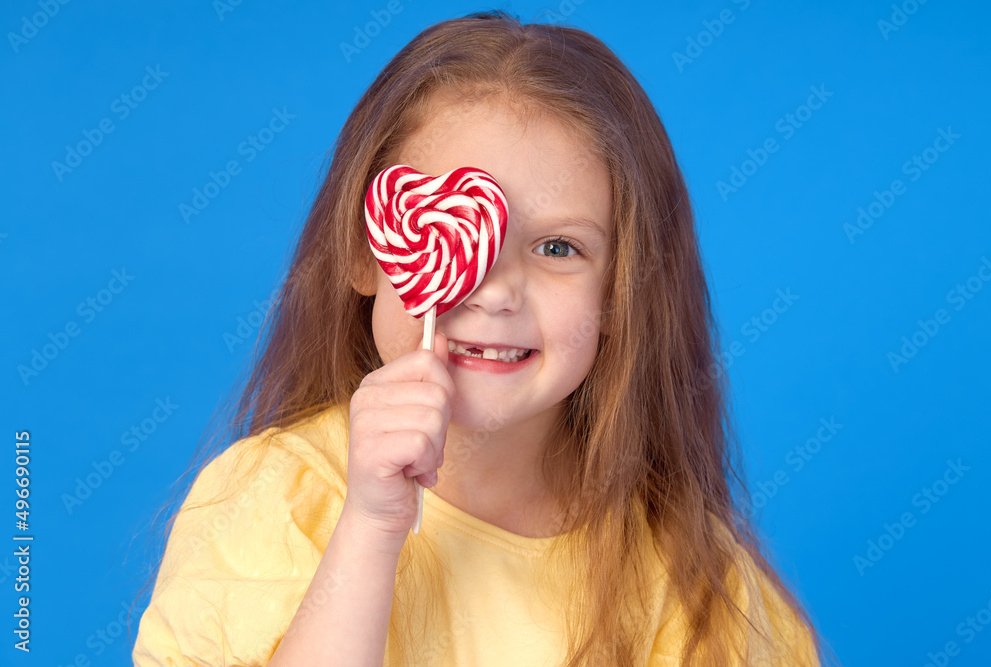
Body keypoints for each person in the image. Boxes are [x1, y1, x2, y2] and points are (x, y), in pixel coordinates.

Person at [132, 9, 831, 666]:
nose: (495, 290)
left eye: (558, 247)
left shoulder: (686, 578)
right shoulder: (276, 499)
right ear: (369, 252)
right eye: (455, 231)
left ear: (623, 292)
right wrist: (371, 528)